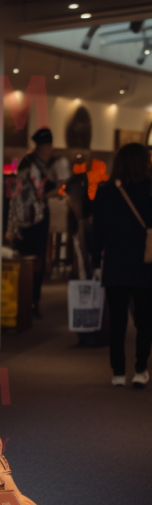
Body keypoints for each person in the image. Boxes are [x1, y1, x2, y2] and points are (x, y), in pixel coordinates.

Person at [91, 142, 152, 388]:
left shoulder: (105, 192)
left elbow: (97, 233)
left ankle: (117, 373)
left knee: (117, 320)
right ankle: (140, 370)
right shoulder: (150, 190)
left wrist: (96, 263)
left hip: (115, 264)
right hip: (146, 264)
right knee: (145, 320)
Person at [6, 127, 60, 318]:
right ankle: (28, 302)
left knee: (34, 261)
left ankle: (30, 301)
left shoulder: (35, 163)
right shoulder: (32, 165)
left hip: (33, 218)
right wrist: (53, 193)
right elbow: (34, 194)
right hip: (30, 220)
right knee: (30, 261)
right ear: (46, 146)